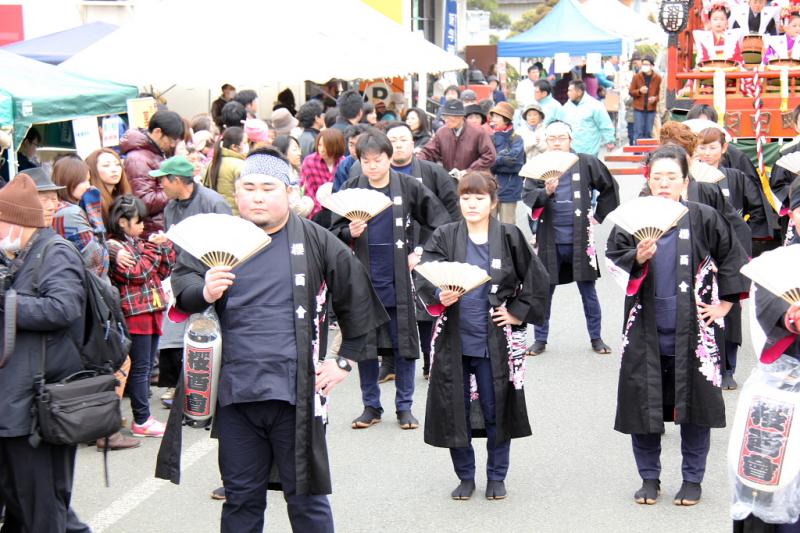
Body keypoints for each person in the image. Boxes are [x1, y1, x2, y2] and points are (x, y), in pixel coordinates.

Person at [158, 147, 389, 532]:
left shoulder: (315, 239)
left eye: (269, 187)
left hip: (296, 391)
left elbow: (358, 297)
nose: (258, 196)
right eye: (248, 187)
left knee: (307, 499)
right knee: (241, 499)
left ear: (289, 192)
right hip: (236, 392)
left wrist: (344, 360)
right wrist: (206, 291)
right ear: (238, 194)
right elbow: (182, 286)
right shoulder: (219, 236)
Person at [605, 145, 748, 507]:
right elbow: (614, 263)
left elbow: (732, 255)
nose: (664, 183)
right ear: (647, 180)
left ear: (685, 181)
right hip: (644, 328)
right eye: (657, 177)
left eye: (671, 176)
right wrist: (637, 257)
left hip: (696, 329)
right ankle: (648, 478)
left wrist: (725, 304)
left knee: (695, 408)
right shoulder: (632, 219)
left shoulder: (703, 216)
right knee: (643, 406)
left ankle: (692, 479)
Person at [417, 171, 548, 500]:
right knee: (453, 409)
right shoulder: (445, 235)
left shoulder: (508, 235)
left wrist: (516, 311)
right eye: (465, 197)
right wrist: (439, 296)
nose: (471, 204)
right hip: (453, 338)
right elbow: (426, 276)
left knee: (496, 409)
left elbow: (537, 277)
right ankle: (465, 476)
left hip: (494, 339)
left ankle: (496, 475)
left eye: (479, 198)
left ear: (493, 202)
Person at [331, 130, 451, 430]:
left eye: (378, 160)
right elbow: (330, 232)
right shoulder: (351, 187)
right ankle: (370, 406)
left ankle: (404, 407)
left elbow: (441, 222)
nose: (372, 166)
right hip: (364, 280)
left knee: (404, 345)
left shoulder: (408, 186)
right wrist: (349, 233)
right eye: (366, 160)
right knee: (366, 346)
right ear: (358, 161)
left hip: (399, 277)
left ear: (389, 159)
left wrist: (421, 252)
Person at [0, 174, 91, 533]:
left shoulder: (55, 251)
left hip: (39, 404)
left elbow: (64, 308)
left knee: (43, 507)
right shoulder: (16, 254)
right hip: (14, 401)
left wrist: (6, 303)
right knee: (18, 502)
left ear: (14, 222)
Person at [349, 122, 461, 380]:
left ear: (413, 143)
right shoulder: (356, 183)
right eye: (393, 139)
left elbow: (446, 215)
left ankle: (428, 363)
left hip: (416, 254)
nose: (398, 144)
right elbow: (336, 226)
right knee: (380, 316)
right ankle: (386, 368)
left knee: (418, 312)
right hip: (372, 260)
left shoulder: (429, 173)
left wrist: (424, 250)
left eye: (403, 139)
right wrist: (349, 234)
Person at [521, 121, 619, 356]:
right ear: (546, 141)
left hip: (580, 237)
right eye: (552, 138)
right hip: (549, 237)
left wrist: (598, 215)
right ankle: (540, 339)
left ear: (571, 140)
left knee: (588, 290)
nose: (556, 142)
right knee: (544, 290)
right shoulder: (538, 166)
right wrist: (545, 192)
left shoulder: (585, 162)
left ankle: (596, 337)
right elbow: (527, 197)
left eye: (561, 138)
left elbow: (609, 187)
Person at [151, 156, 232, 414]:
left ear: (176, 180)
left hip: (212, 273)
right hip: (183, 275)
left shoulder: (212, 202)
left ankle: (216, 389)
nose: (160, 184)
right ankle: (182, 386)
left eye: (163, 179)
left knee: (212, 332)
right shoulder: (170, 207)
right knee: (178, 335)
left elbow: (228, 239)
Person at [694, 127, 768, 390]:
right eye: (701, 147)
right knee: (699, 308)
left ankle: (728, 368)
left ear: (724, 149)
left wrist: (744, 252)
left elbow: (756, 212)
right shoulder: (688, 179)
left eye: (712, 147)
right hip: (698, 252)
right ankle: (702, 365)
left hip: (730, 251)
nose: (706, 152)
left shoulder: (735, 177)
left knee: (730, 308)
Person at [107, 195, 174, 438]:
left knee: (143, 368)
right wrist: (155, 248)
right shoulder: (114, 246)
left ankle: (142, 418)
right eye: (138, 221)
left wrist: (164, 247)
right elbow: (138, 273)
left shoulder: (137, 242)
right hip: (136, 314)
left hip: (151, 310)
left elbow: (164, 269)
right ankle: (142, 419)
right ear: (122, 222)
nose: (143, 225)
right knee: (140, 368)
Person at [120, 110, 185, 237]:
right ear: (157, 132)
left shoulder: (154, 152)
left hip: (159, 227)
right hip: (151, 232)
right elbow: (144, 201)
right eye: (171, 140)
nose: (172, 145)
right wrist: (175, 189)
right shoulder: (138, 159)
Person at [52, 157, 109, 278]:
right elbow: (99, 262)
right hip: (82, 286)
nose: (88, 186)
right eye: (83, 181)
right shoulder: (70, 214)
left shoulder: (57, 209)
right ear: (69, 181)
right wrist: (94, 214)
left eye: (89, 181)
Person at [418, 100, 496, 176]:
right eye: (445, 116)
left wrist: (468, 172)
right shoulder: (442, 132)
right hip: (449, 180)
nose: (446, 120)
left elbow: (490, 156)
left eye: (450, 117)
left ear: (461, 117)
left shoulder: (478, 132)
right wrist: (417, 161)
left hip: (473, 182)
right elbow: (429, 152)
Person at [488, 102, 525, 225]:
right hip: (489, 188)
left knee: (508, 227)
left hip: (510, 189)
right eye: (493, 116)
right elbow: (486, 161)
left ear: (506, 119)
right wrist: (502, 160)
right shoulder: (489, 138)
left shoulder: (516, 138)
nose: (494, 119)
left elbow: (516, 165)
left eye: (498, 117)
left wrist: (496, 162)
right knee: (489, 226)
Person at [561, 80, 616, 156]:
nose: (568, 93)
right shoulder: (566, 107)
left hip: (590, 149)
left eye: (570, 91)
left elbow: (604, 124)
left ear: (579, 92)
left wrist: (609, 140)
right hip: (571, 150)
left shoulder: (595, 105)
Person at [301, 129, 345, 218]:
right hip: (316, 212)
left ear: (335, 146)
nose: (321, 149)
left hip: (339, 211)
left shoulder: (343, 162)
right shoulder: (310, 161)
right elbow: (308, 192)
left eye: (326, 146)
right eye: (320, 145)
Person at [204, 127, 248, 216]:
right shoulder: (240, 165)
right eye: (245, 143)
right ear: (235, 147)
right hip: (237, 215)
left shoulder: (213, 163)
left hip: (217, 212)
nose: (247, 146)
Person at [86, 147, 133, 224]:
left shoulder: (122, 196)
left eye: (117, 164)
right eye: (106, 165)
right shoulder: (92, 201)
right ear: (93, 170)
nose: (114, 169)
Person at [628, 55, 662, 144]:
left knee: (648, 132)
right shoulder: (637, 77)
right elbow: (631, 92)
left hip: (651, 109)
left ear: (652, 66)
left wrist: (655, 98)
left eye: (647, 64)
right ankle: (637, 153)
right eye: (643, 64)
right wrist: (639, 91)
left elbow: (661, 94)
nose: (644, 66)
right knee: (638, 132)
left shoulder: (658, 78)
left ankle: (647, 155)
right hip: (638, 108)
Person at [332, 124, 370, 192]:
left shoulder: (377, 162)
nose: (355, 150)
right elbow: (337, 192)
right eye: (351, 145)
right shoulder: (344, 165)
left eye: (359, 144)